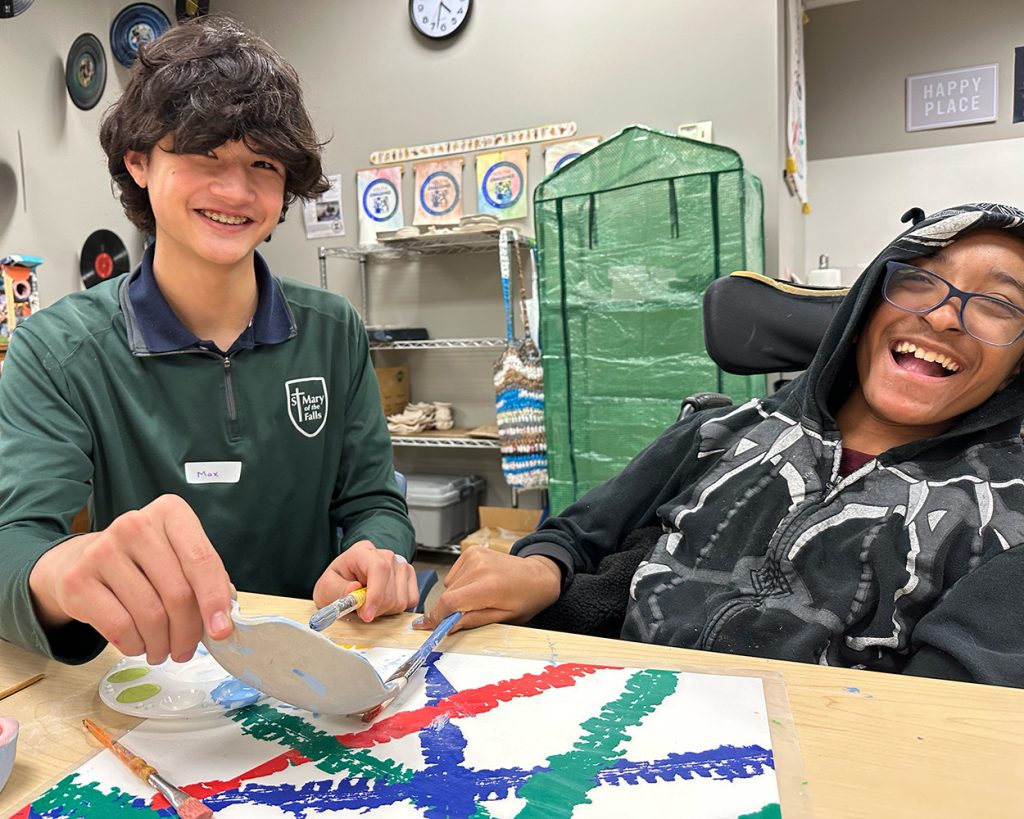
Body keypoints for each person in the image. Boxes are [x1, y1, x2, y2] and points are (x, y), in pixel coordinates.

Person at [422, 202, 1024, 688]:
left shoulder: (1007, 517)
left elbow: (948, 717)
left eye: (1000, 303)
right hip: (597, 724)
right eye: (919, 280)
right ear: (867, 304)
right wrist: (538, 570)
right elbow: (577, 534)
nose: (945, 316)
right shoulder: (720, 431)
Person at [0, 16, 417, 667]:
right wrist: (64, 569)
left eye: (263, 163)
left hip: (311, 665)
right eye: (205, 156)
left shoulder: (333, 330)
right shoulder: (56, 349)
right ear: (138, 162)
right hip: (149, 675)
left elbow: (374, 501)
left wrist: (375, 553)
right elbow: (14, 541)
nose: (236, 190)